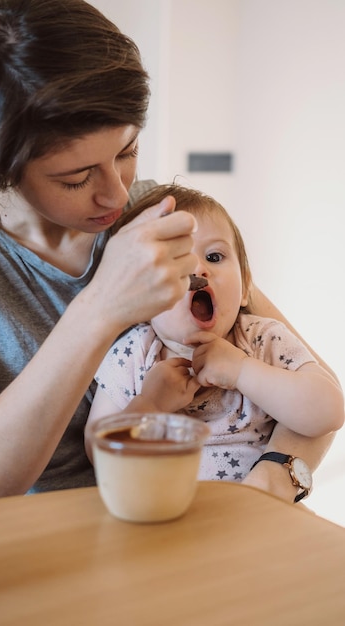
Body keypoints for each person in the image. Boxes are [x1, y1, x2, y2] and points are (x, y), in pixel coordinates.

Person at [0, 0, 340, 509]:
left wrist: (276, 476)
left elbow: (310, 389)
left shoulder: (163, 215)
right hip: (39, 542)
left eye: (126, 151)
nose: (118, 197)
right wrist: (101, 306)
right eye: (76, 177)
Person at [85, 184, 343, 493]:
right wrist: (150, 405)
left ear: (246, 287)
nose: (199, 269)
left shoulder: (262, 340)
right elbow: (99, 454)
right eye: (176, 261)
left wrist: (243, 371)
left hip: (253, 519)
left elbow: (328, 412)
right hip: (161, 523)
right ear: (141, 298)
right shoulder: (134, 353)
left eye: (215, 256)